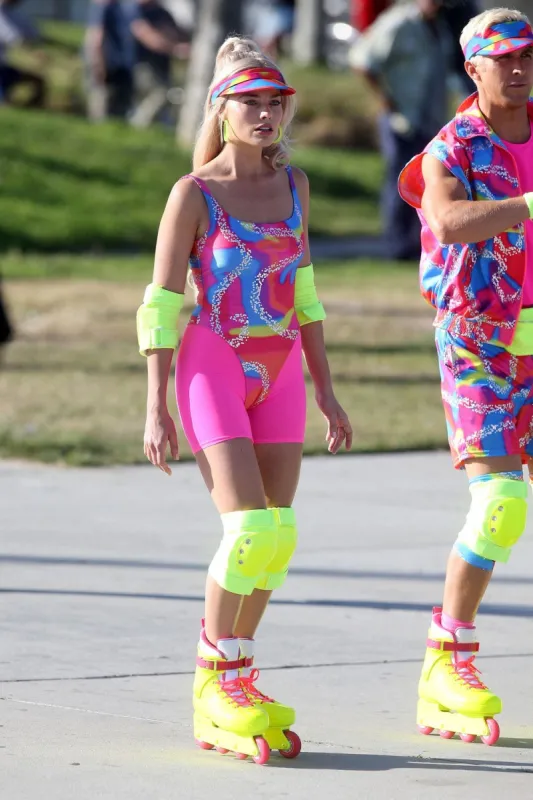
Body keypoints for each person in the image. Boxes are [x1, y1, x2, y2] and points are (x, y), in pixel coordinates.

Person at [136, 36, 352, 763]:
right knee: (249, 530)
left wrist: (326, 391)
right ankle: (212, 680)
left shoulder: (295, 187)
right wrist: (156, 404)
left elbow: (306, 294)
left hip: (281, 369)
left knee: (278, 536)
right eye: (249, 102)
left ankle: (234, 674)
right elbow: (162, 303)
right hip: (214, 364)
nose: (265, 114)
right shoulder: (192, 194)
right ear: (220, 110)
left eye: (275, 103)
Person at [398, 8, 533, 746]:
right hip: (478, 342)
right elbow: (446, 221)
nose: (518, 68)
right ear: (472, 67)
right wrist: (527, 206)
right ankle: (447, 662)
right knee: (500, 505)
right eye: (501, 58)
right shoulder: (452, 145)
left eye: (526, 55)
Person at [351, 0, 452, 260]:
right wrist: (385, 99)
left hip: (430, 121)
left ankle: (418, 244)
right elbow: (362, 60)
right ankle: (396, 247)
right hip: (401, 119)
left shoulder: (438, 26)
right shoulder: (398, 23)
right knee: (400, 181)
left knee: (426, 184)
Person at [129, 0, 190, 128]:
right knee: (159, 94)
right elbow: (148, 37)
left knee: (163, 96)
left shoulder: (162, 12)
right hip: (145, 65)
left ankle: (148, 128)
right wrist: (175, 49)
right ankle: (138, 126)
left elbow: (177, 32)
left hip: (163, 65)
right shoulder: (136, 11)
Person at [84, 0, 136, 121]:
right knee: (101, 98)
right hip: (106, 62)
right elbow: (96, 38)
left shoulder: (119, 7)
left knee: (117, 104)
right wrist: (98, 63)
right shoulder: (102, 7)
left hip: (119, 64)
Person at [0, 0, 45, 108]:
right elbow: (12, 37)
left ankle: (33, 109)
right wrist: (31, 51)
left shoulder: (12, 12)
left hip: (3, 67)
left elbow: (33, 33)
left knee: (37, 81)